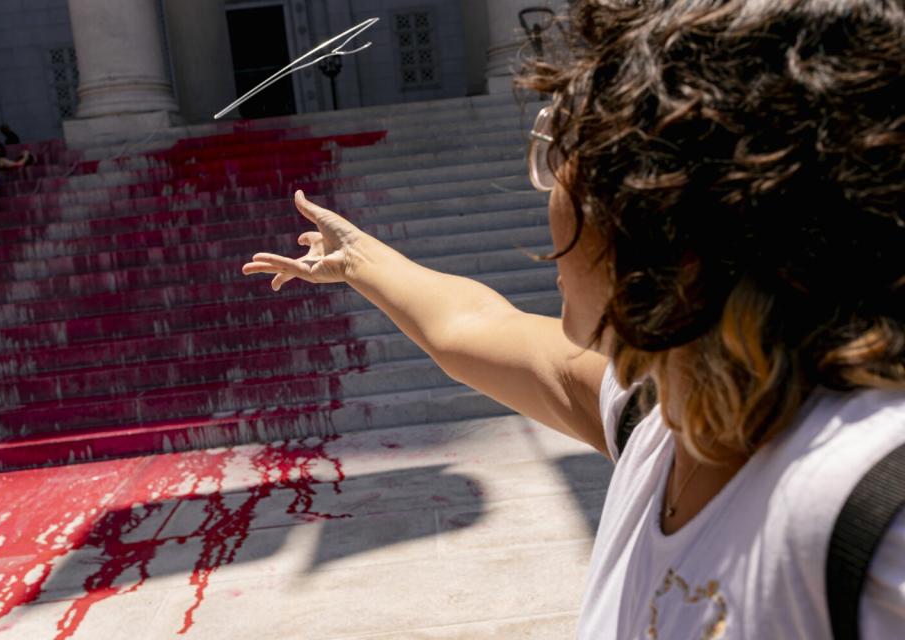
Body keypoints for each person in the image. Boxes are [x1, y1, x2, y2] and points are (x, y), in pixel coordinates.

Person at [243, 1, 905, 637]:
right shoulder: (666, 413)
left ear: (668, 205)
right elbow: (472, 327)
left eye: (566, 145)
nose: (548, 179)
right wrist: (358, 257)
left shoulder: (875, 519)